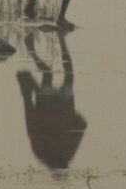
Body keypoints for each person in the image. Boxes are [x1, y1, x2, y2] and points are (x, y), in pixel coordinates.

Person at [16, 32, 88, 173]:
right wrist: (28, 97)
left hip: (51, 105)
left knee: (55, 73)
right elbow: (81, 126)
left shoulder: (45, 152)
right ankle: (55, 40)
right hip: (59, 106)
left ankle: (45, 44)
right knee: (55, 73)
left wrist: (27, 98)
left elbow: (31, 124)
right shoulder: (65, 153)